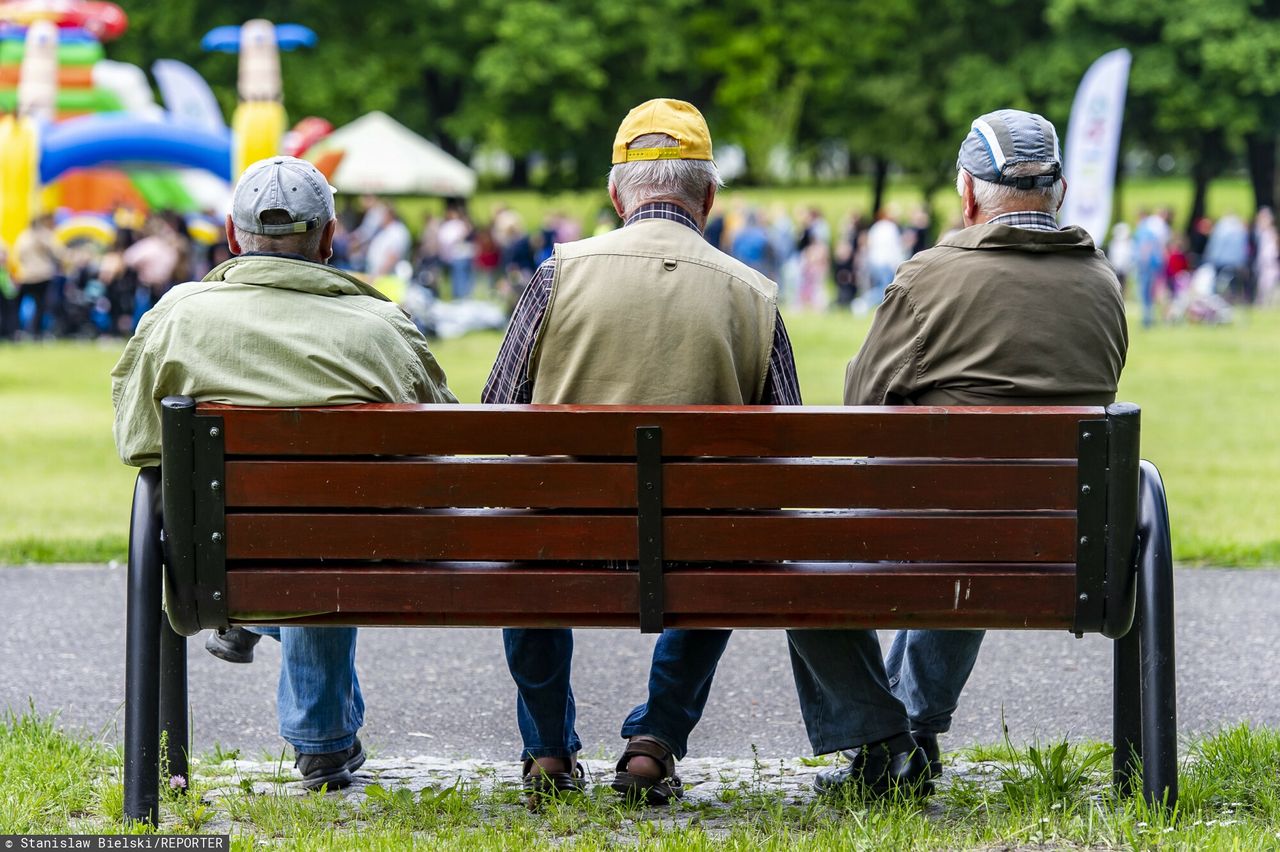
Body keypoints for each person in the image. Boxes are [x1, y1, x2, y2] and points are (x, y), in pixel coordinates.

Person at [790, 108, 1128, 797]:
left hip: (940, 532)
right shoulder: (1102, 285)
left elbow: (861, 410)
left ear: (969, 194)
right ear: (1056, 191)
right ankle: (914, 730)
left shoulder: (929, 278)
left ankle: (885, 741)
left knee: (796, 559)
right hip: (1064, 543)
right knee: (981, 514)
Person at [482, 98, 801, 806]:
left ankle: (547, 752)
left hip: (560, 543)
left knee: (520, 536)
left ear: (613, 192)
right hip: (693, 549)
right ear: (709, 196)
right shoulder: (754, 295)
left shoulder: (555, 275)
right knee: (732, 540)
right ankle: (654, 740)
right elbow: (784, 453)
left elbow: (493, 422)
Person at [111, 156, 456, 790]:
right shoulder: (382, 327)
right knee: (328, 535)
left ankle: (257, 629)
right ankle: (321, 741)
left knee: (297, 544)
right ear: (330, 236)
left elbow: (138, 443)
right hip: (369, 554)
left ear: (232, 234)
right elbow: (440, 449)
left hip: (217, 557)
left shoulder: (177, 317)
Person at [12, 213, 64, 338]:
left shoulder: (23, 237)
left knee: (19, 304)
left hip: (27, 276)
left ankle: (20, 330)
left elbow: (17, 255)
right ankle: (34, 331)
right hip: (42, 275)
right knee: (41, 306)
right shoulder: (46, 235)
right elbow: (58, 253)